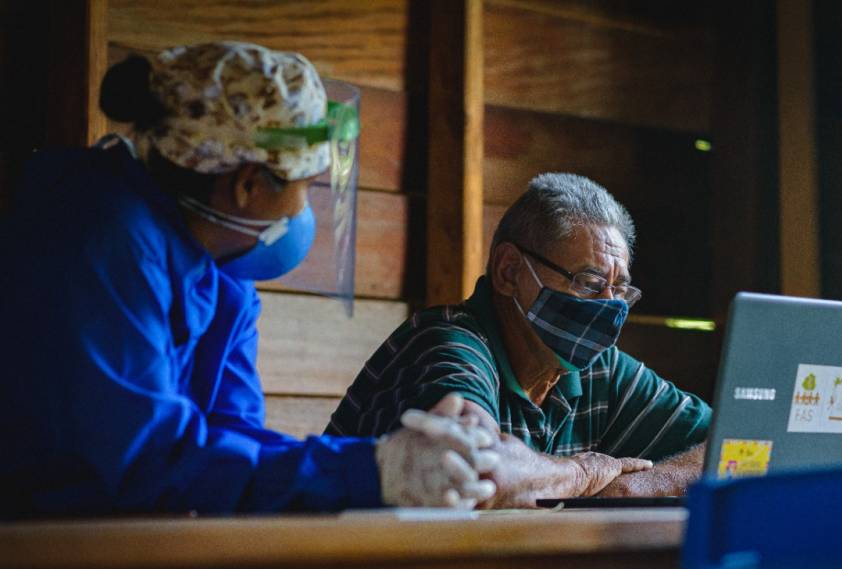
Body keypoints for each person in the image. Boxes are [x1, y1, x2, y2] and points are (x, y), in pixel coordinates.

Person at [0, 42, 499, 516]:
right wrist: (367, 471)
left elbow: (232, 435)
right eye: (306, 186)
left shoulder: (222, 265)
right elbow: (150, 458)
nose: (304, 210)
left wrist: (383, 461)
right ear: (247, 185)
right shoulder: (103, 237)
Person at [327, 173, 712, 505]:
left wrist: (636, 487)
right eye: (589, 283)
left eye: (620, 290)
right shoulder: (448, 344)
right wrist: (584, 474)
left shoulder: (599, 368)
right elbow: (477, 474)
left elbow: (739, 445)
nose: (609, 307)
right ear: (509, 271)